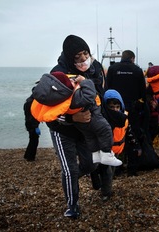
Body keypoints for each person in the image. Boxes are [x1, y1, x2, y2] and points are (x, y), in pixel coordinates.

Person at [33, 34, 106, 219]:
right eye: (77, 57)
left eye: (85, 53)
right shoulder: (57, 74)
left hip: (85, 130)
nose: (83, 59)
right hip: (62, 129)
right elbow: (49, 111)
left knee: (90, 164)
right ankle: (72, 206)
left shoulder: (94, 68)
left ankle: (72, 179)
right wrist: (74, 119)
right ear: (69, 57)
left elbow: (98, 96)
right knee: (70, 169)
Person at [31, 71, 122, 167]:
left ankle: (96, 155)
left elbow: (57, 116)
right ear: (64, 89)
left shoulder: (57, 100)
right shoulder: (76, 97)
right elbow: (90, 95)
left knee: (90, 136)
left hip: (80, 124)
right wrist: (85, 81)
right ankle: (107, 154)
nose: (71, 80)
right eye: (69, 81)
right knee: (105, 130)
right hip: (92, 116)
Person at [90, 89, 131, 200]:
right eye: (111, 107)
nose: (115, 110)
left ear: (121, 106)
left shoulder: (124, 117)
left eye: (117, 107)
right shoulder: (103, 119)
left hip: (118, 150)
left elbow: (128, 132)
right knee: (105, 171)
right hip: (105, 151)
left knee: (110, 172)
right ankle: (106, 193)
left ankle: (105, 189)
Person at [23, 93, 40, 162]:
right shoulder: (31, 103)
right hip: (31, 124)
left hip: (29, 123)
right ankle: (30, 157)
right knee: (34, 140)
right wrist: (35, 126)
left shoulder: (28, 101)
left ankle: (27, 155)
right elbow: (31, 117)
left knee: (32, 139)